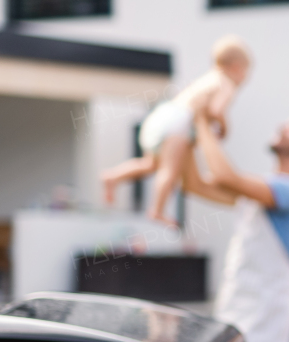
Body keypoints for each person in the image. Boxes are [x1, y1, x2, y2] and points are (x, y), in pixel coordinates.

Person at [184, 111, 289, 342]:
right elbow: (194, 184)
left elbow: (226, 177)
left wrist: (202, 122)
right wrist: (184, 138)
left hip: (267, 313)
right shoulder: (261, 189)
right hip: (238, 300)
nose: (283, 127)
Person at [102, 35, 251, 225]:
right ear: (236, 67)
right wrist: (224, 128)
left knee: (151, 164)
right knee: (169, 170)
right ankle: (157, 210)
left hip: (164, 115)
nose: (245, 78)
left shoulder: (207, 78)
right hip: (179, 124)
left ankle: (112, 176)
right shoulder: (226, 83)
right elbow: (216, 110)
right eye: (246, 72)